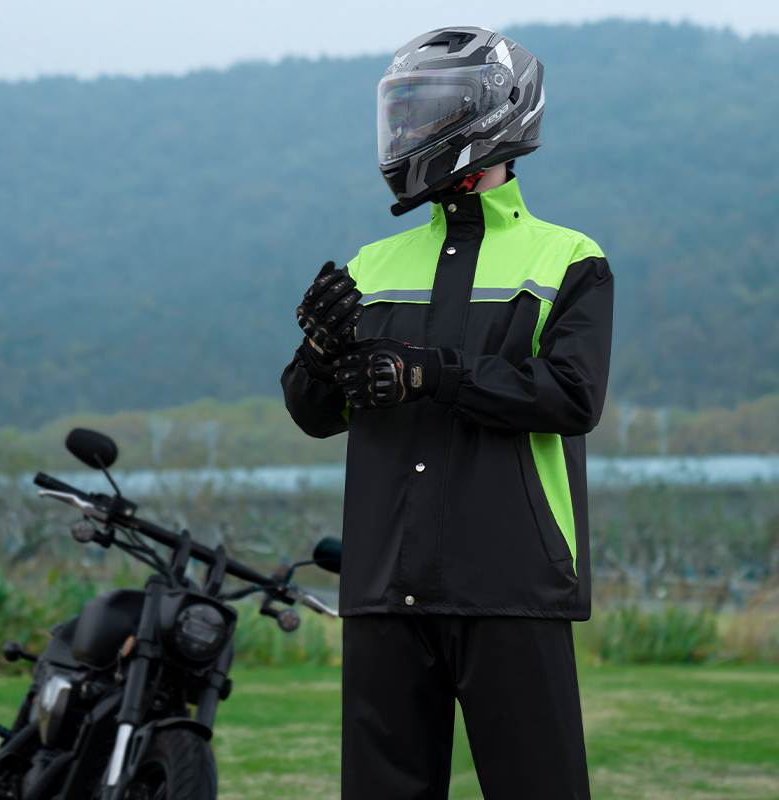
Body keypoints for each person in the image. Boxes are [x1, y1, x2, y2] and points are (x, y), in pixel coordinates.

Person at [282, 25, 613, 800]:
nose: (408, 129)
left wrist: (433, 374)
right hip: (383, 589)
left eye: (428, 109)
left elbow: (572, 396)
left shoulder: (568, 259)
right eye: (402, 111)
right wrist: (318, 355)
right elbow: (313, 413)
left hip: (512, 584)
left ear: (495, 113)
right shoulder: (371, 266)